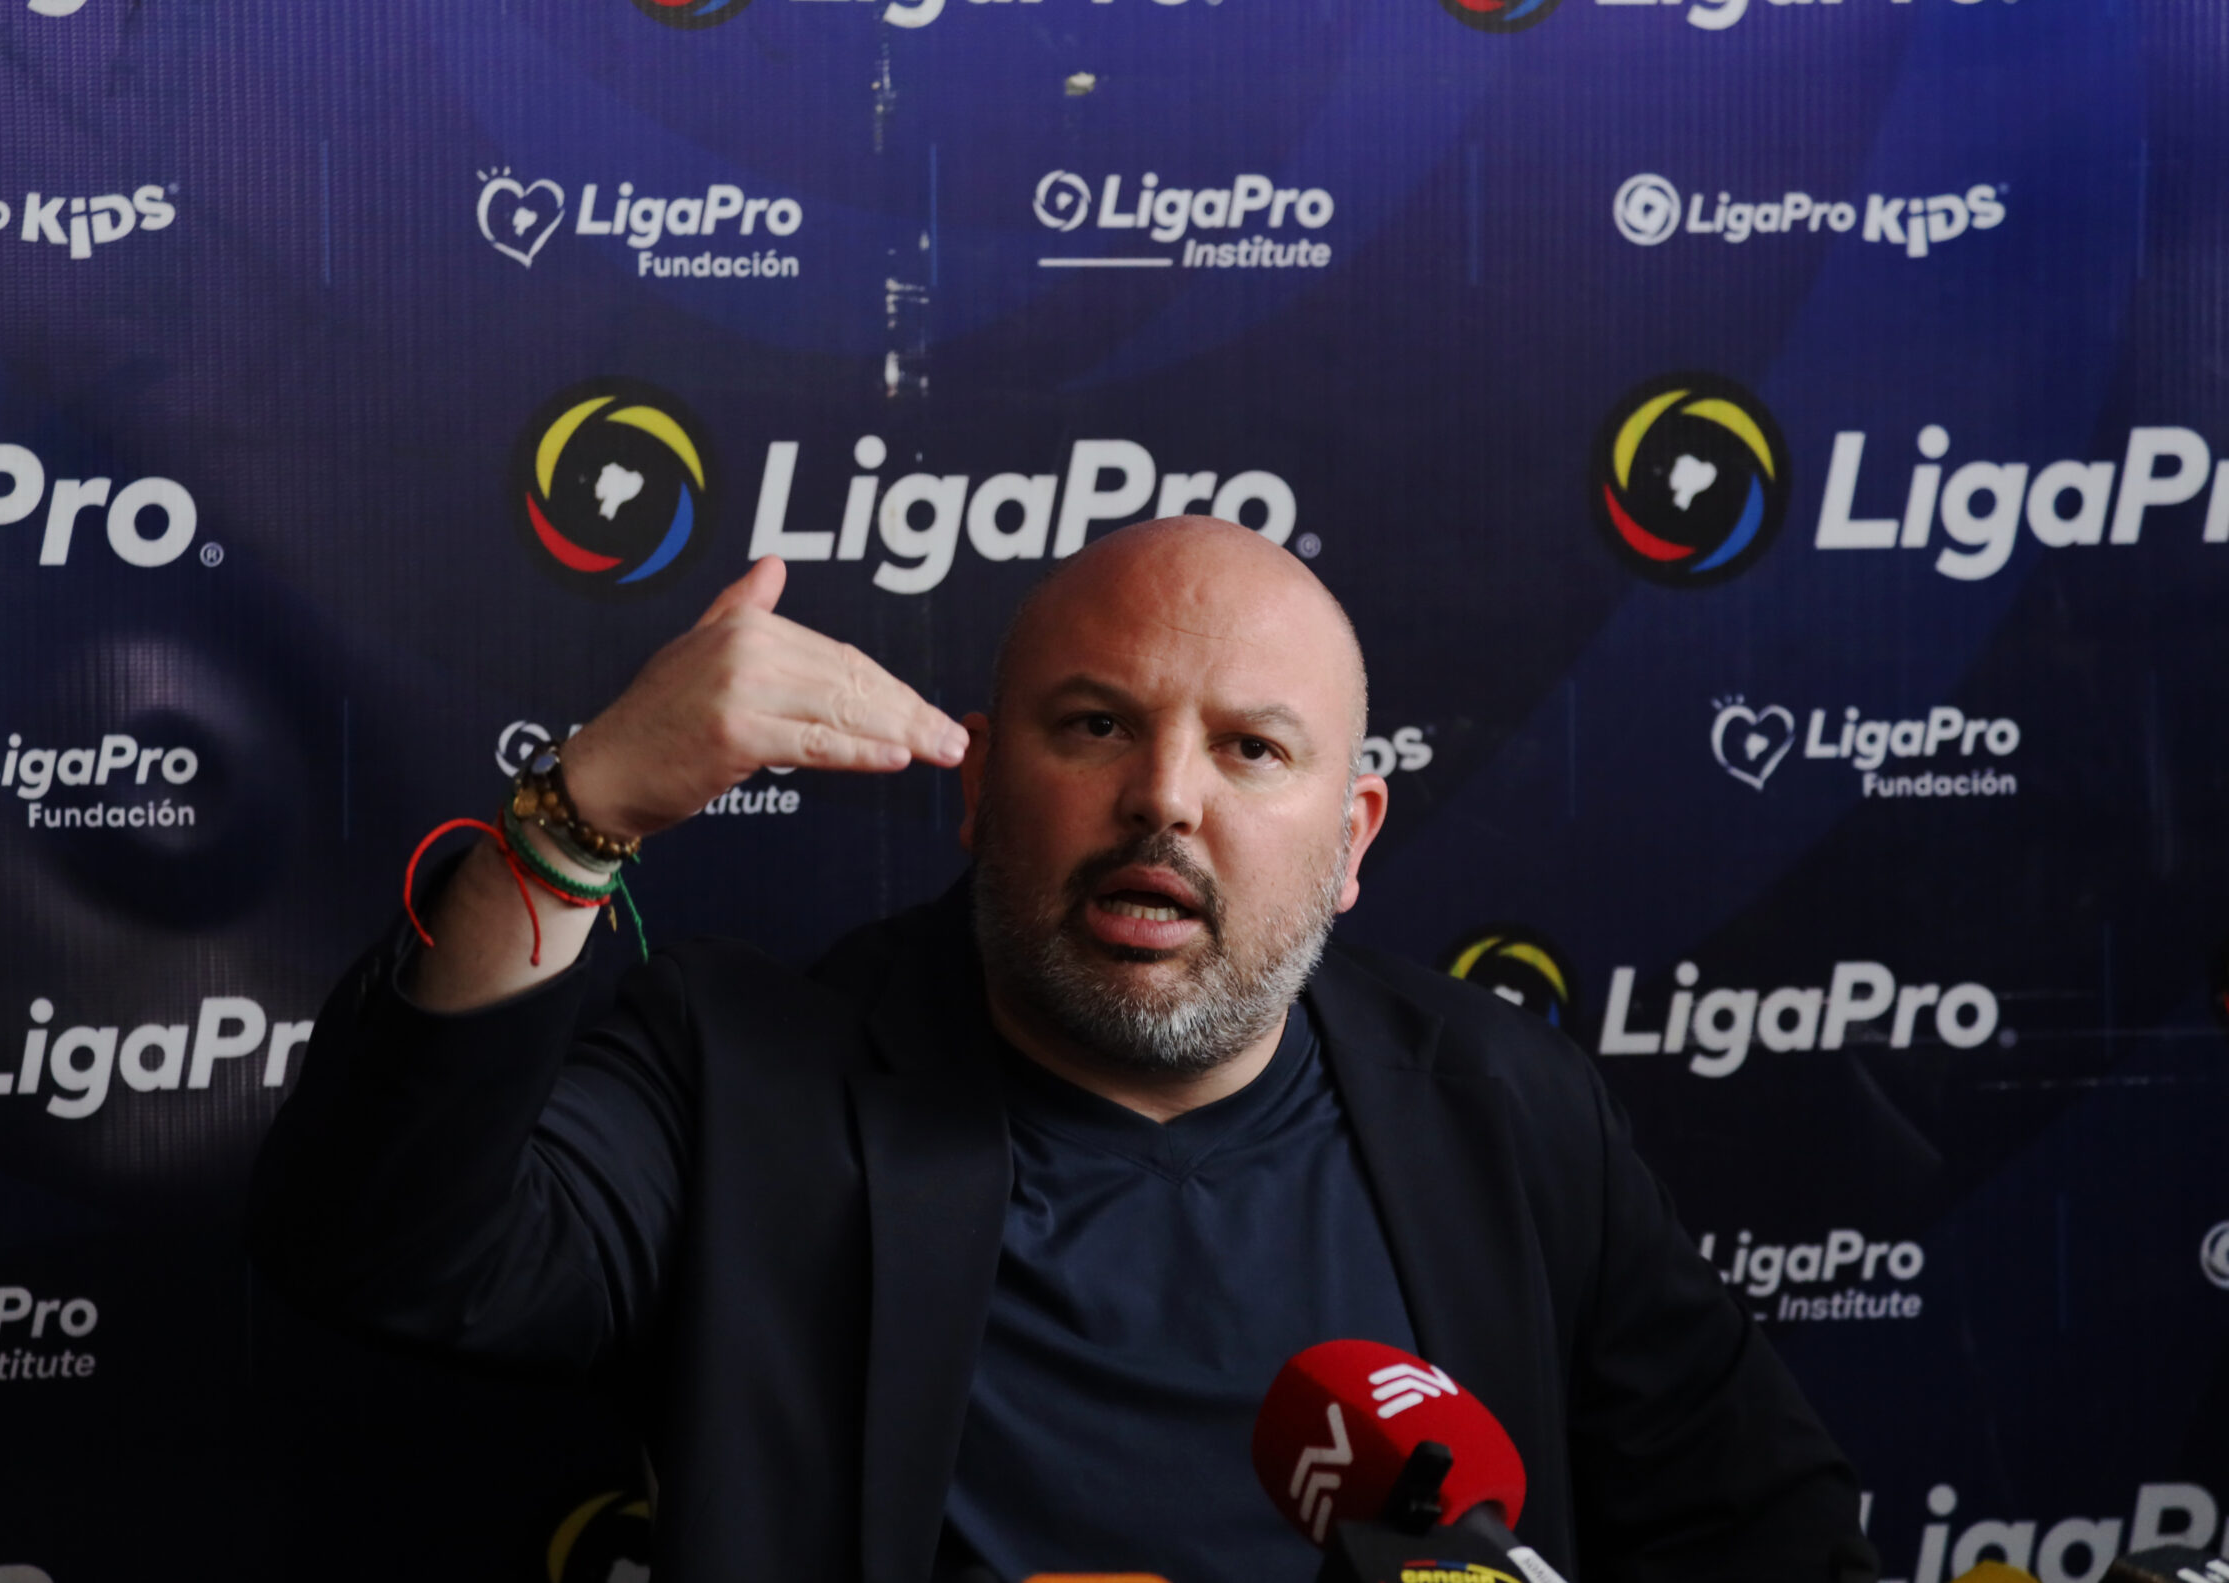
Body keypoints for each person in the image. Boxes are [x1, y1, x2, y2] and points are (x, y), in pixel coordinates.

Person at [248, 517, 1879, 1583]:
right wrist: (576, 817)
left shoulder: (1503, 1103)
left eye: (1252, 749)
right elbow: (386, 1248)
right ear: (976, 787)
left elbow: (1767, 1532)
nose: (1164, 798)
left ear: (1353, 839)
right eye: (1096, 726)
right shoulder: (741, 1073)